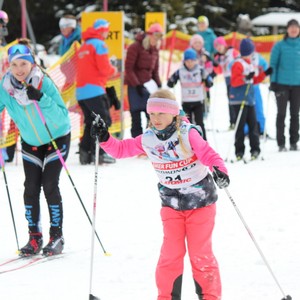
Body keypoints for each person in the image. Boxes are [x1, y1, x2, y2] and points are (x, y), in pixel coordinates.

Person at [90, 88, 230, 300]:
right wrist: (104, 136)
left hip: (201, 203)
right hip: (171, 205)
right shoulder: (148, 139)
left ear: (173, 113)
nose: (155, 119)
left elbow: (209, 155)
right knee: (170, 255)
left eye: (160, 113)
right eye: (152, 114)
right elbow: (120, 149)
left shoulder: (187, 133)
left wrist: (220, 171)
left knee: (200, 254)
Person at [0, 44, 71, 256]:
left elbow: (63, 116)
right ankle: (34, 237)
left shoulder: (44, 82)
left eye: (23, 63)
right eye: (14, 65)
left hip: (56, 137)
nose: (19, 69)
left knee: (49, 184)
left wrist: (41, 98)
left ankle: (56, 237)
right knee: (30, 187)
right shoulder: (5, 88)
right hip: (31, 141)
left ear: (32, 63)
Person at [76, 19, 117, 165]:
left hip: (81, 92)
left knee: (90, 122)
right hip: (95, 90)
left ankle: (84, 153)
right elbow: (104, 68)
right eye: (107, 29)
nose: (107, 32)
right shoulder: (99, 44)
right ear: (102, 30)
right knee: (102, 122)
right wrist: (114, 69)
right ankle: (100, 154)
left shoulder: (84, 46)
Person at [230, 38, 272, 160]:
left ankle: (255, 149)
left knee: (253, 126)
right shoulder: (238, 63)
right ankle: (239, 151)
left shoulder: (250, 64)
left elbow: (254, 80)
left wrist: (265, 74)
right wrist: (246, 77)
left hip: (250, 100)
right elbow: (234, 81)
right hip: (239, 100)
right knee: (240, 126)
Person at [125, 23, 163, 138]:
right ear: (149, 35)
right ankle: (137, 144)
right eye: (155, 36)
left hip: (148, 87)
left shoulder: (155, 50)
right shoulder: (135, 47)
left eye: (159, 37)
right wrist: (137, 85)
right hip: (135, 86)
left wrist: (159, 84)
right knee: (136, 116)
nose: (156, 40)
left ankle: (150, 142)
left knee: (151, 116)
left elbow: (155, 71)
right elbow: (129, 68)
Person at [167, 48, 213, 140]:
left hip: (198, 102)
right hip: (186, 102)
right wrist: (172, 81)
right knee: (187, 124)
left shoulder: (200, 70)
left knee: (200, 123)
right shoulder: (180, 71)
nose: (190, 63)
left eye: (192, 61)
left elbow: (210, 82)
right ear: (184, 61)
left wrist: (207, 81)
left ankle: (203, 141)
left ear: (196, 60)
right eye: (187, 61)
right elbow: (170, 82)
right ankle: (189, 142)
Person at [269, 19, 300, 152]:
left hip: (297, 85)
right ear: (287, 29)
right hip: (281, 84)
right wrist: (273, 82)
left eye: (296, 27)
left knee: (295, 114)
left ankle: (294, 141)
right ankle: (281, 143)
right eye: (291, 27)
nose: (293, 30)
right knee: (281, 114)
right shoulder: (279, 45)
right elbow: (273, 65)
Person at [213, 36, 240, 129]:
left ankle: (238, 121)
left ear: (224, 44)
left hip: (236, 77)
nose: (219, 47)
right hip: (227, 79)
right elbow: (219, 71)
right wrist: (215, 64)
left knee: (237, 99)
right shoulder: (219, 57)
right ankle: (232, 121)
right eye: (217, 46)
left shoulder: (232, 52)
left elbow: (240, 61)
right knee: (230, 100)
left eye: (220, 45)